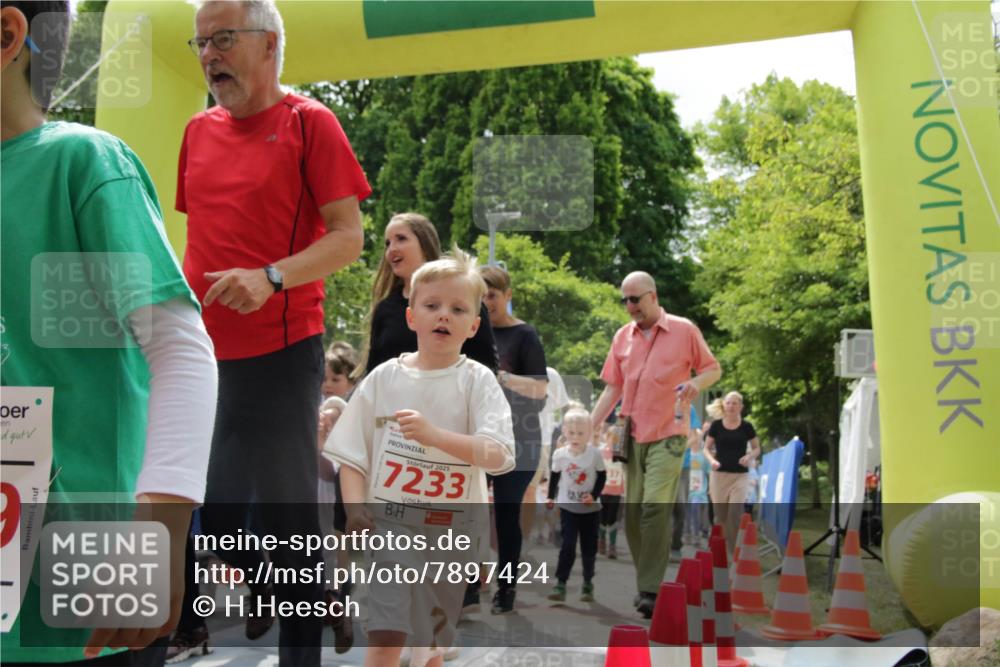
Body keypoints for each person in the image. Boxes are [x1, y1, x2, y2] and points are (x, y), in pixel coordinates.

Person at [1, 1, 217, 663]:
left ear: (7, 35)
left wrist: (160, 530)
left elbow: (179, 350)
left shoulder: (80, 162)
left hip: (85, 585)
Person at [176, 1, 370, 663]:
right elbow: (199, 243)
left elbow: (349, 237)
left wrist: (272, 276)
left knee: (291, 528)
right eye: (201, 42)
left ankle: (304, 631)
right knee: (220, 523)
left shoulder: (310, 123)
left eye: (223, 39)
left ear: (269, 44)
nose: (208, 55)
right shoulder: (197, 131)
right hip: (205, 359)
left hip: (283, 355)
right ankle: (309, 595)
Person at [324, 249, 515, 667]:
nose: (443, 315)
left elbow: (498, 454)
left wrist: (436, 436)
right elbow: (352, 456)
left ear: (473, 326)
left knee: (429, 645)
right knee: (385, 635)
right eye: (432, 306)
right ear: (412, 317)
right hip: (391, 530)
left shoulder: (477, 382)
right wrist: (355, 511)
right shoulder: (383, 379)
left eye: (457, 308)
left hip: (451, 536)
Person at [590, 271, 721, 618]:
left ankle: (650, 590)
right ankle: (645, 579)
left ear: (653, 295)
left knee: (653, 507)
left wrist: (696, 383)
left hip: (670, 433)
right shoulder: (622, 337)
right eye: (625, 300)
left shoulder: (684, 329)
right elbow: (612, 389)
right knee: (632, 514)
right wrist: (591, 424)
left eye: (635, 299)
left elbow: (713, 369)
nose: (630, 306)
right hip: (632, 434)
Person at [479, 265, 548, 614]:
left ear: (507, 296)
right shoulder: (472, 330)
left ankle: (506, 590)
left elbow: (540, 391)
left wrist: (503, 377)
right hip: (478, 438)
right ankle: (466, 588)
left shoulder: (525, 336)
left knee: (506, 517)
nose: (486, 301)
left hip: (520, 441)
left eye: (492, 294)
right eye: (480, 294)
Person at [356, 212, 497, 377]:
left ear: (424, 244)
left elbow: (487, 368)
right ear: (410, 316)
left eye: (401, 238)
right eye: (387, 243)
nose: (391, 249)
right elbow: (373, 374)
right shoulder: (385, 309)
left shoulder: (467, 302)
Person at [546, 408, 606, 603]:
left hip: (590, 509)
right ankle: (560, 583)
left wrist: (594, 495)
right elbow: (555, 475)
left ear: (589, 433)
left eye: (581, 433)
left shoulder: (595, 454)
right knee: (568, 544)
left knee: (589, 548)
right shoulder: (560, 455)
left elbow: (602, 476)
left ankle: (588, 582)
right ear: (564, 431)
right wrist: (550, 496)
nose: (575, 437)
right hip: (568, 506)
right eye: (571, 433)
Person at [704, 391, 761, 554]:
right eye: (728, 403)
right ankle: (717, 550)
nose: (731, 406)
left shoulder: (747, 426)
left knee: (735, 515)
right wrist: (712, 461)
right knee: (720, 517)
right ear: (724, 405)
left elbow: (757, 448)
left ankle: (734, 552)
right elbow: (706, 449)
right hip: (719, 475)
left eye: (735, 403)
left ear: (741, 407)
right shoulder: (716, 425)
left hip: (740, 476)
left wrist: (749, 456)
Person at [598, 424, 625, 559]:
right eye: (612, 439)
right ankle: (601, 541)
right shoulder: (601, 452)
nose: (614, 442)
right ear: (606, 438)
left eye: (617, 440)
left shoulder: (622, 454)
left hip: (616, 492)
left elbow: (626, 472)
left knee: (613, 518)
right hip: (603, 491)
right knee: (602, 518)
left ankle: (612, 546)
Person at [684, 428, 711, 548]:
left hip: (699, 491)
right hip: (686, 489)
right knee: (686, 512)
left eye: (699, 438)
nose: (696, 440)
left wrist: (711, 487)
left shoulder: (704, 456)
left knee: (695, 509)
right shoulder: (686, 455)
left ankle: (696, 535)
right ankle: (687, 534)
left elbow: (709, 473)